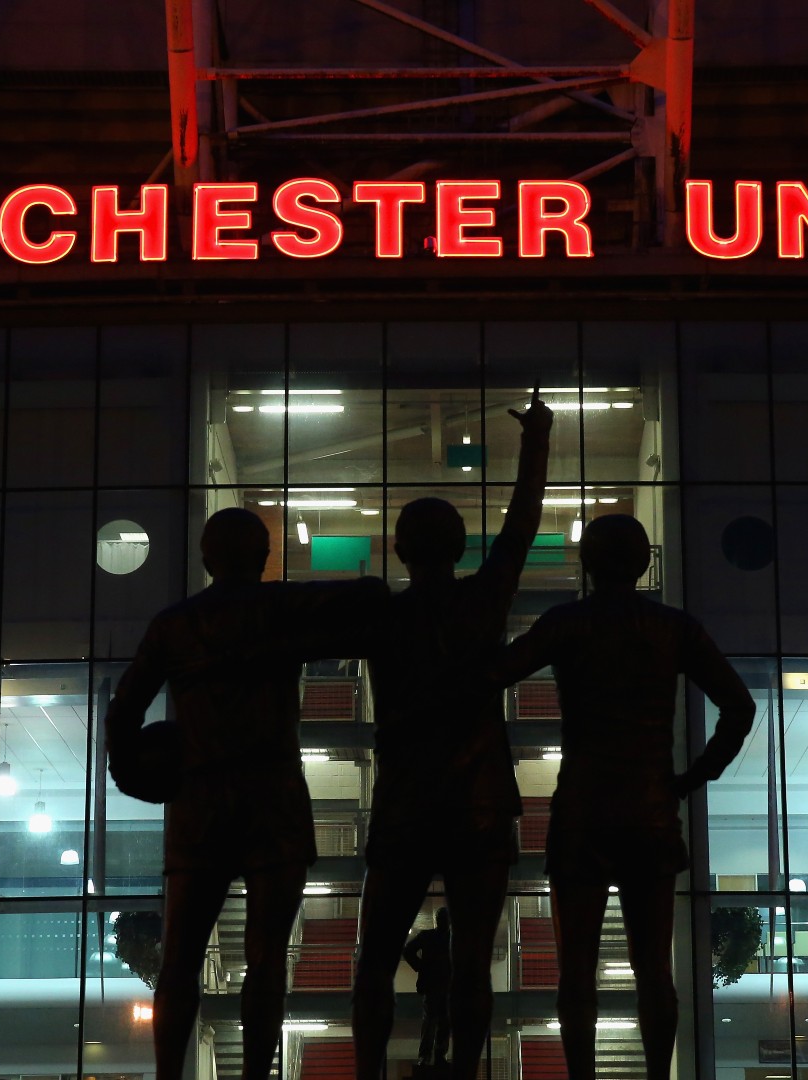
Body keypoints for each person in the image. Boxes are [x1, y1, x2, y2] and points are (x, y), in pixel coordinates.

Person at [104, 507, 385, 1080]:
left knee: (181, 959)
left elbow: (123, 711)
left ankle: (167, 1077)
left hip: (200, 800)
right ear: (260, 559)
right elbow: (356, 599)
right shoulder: (276, 607)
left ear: (207, 559)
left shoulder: (173, 625)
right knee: (266, 960)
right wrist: (373, 587)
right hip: (271, 797)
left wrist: (136, 776)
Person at [487, 514, 756, 1080]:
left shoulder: (566, 623)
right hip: (651, 810)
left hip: (583, 810)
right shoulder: (675, 628)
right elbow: (739, 707)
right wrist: (693, 777)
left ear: (587, 563)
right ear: (642, 565)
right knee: (653, 970)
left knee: (576, 973)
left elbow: (493, 674)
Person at [349, 388, 553, 1080]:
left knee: (375, 959)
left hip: (406, 799)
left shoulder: (380, 616)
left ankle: (370, 1074)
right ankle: (466, 1072)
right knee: (472, 959)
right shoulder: (482, 599)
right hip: (480, 799)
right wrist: (536, 444)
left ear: (400, 548)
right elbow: (523, 525)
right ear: (463, 547)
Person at [402, 908, 453, 1069]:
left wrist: (420, 967)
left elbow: (408, 951)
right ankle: (434, 1056)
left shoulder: (429, 937)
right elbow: (407, 951)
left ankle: (432, 1056)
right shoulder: (450, 939)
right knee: (435, 1023)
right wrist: (420, 967)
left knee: (437, 1023)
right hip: (439, 987)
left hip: (441, 987)